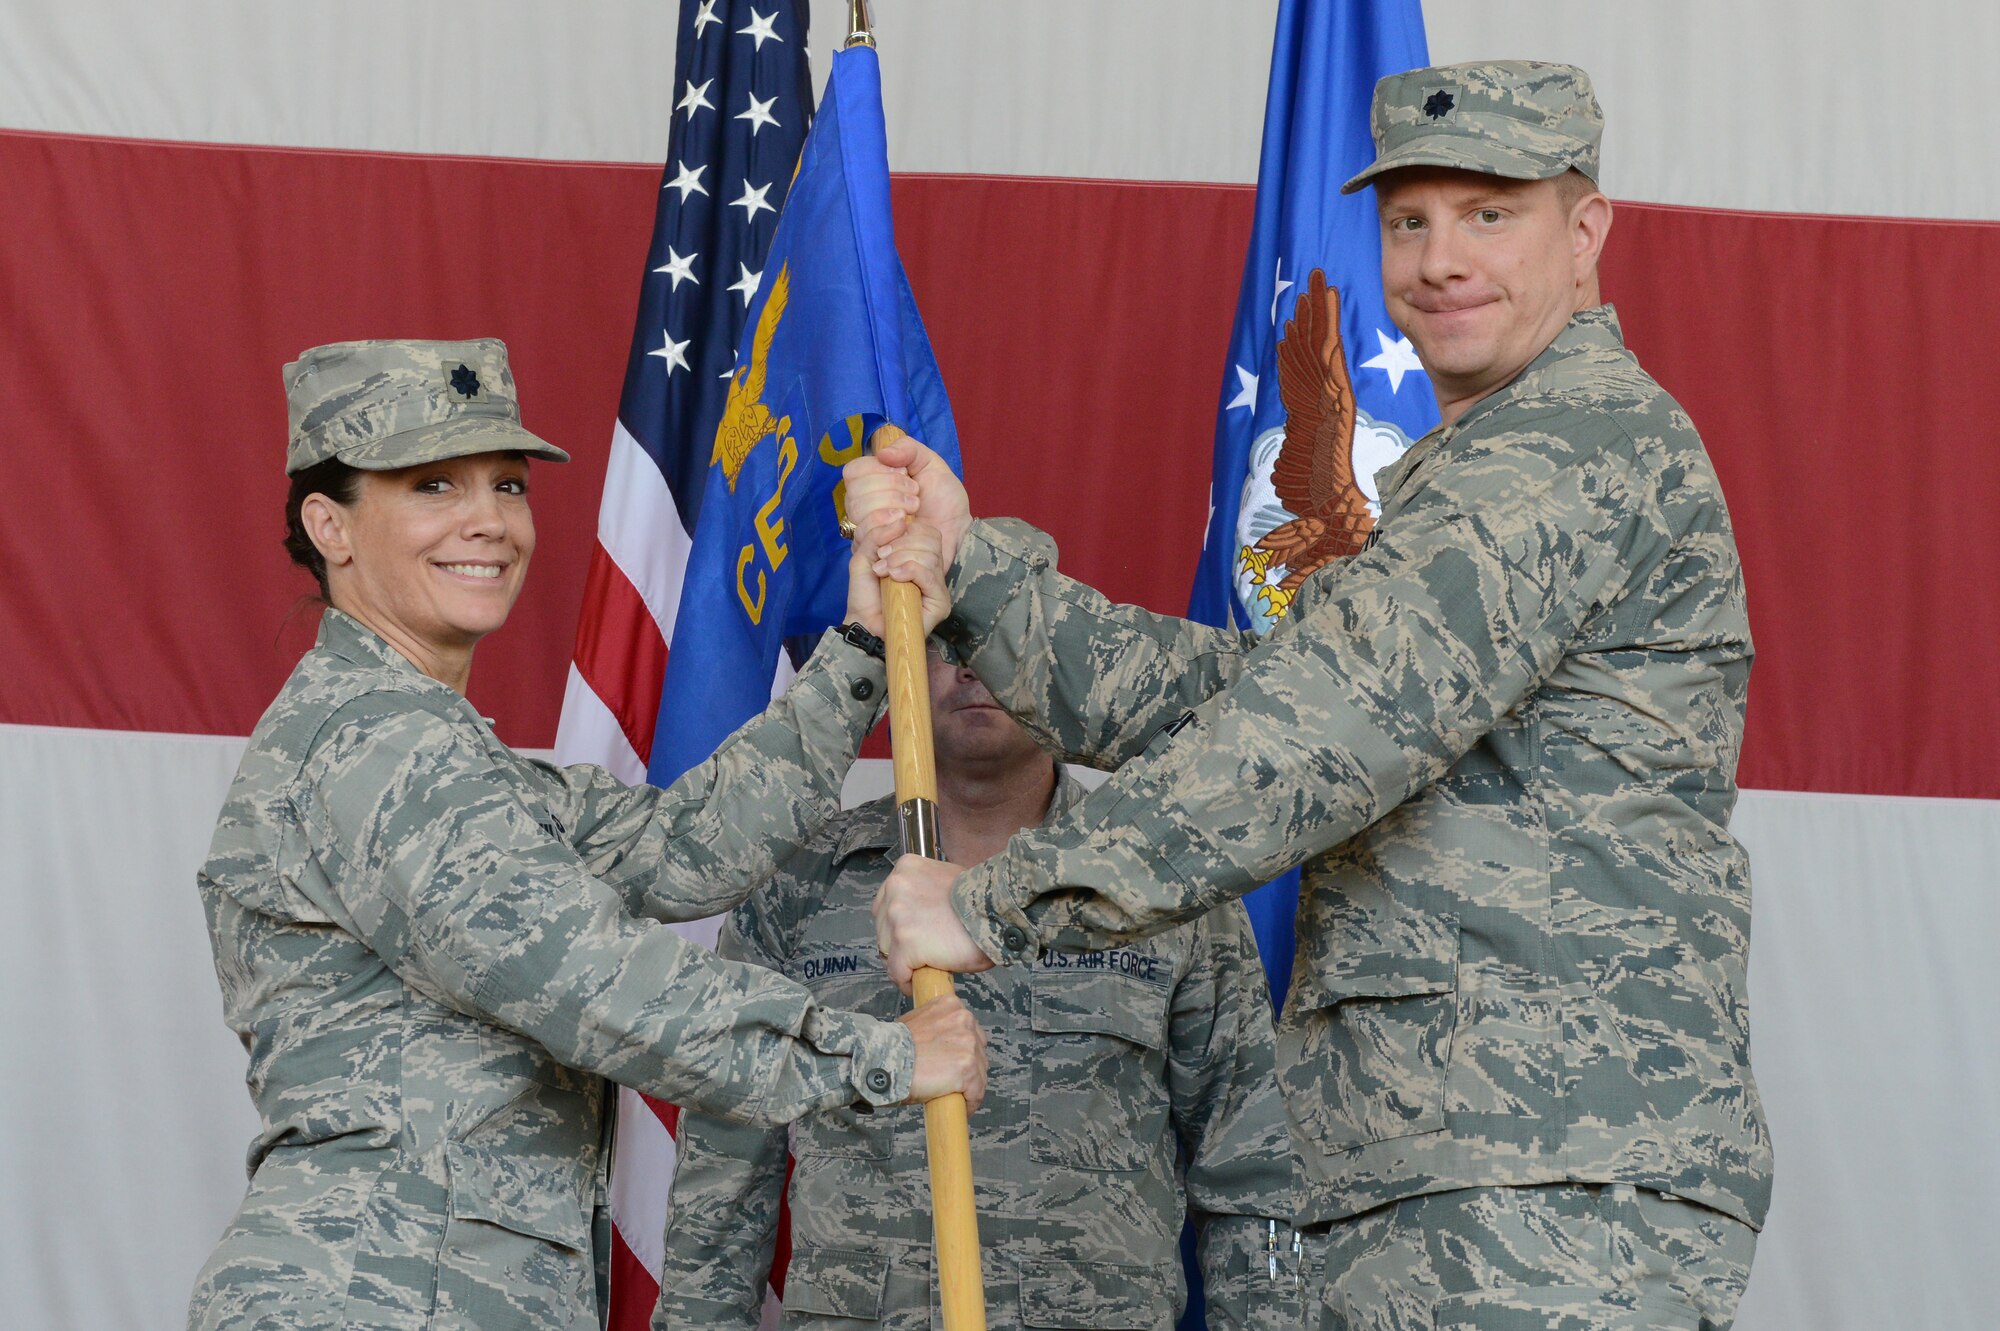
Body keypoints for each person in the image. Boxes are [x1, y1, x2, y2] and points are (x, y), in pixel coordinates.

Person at [850, 62, 1772, 1330]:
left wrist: (995, 900)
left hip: (1543, 1164)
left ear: (1584, 230)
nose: (1439, 259)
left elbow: (1317, 736)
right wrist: (980, 577)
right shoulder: (1478, 470)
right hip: (1459, 1161)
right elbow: (1256, 696)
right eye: (1408, 220)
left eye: (1488, 213)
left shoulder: (1573, 451)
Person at [187, 338, 986, 1331]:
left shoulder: (447, 756)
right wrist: (879, 1056)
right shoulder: (374, 748)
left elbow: (688, 846)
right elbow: (607, 989)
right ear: (328, 524)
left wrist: (864, 644)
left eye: (508, 485)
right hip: (380, 1293)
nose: (488, 521)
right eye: (432, 483)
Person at [653, 646, 1304, 1330]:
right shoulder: (798, 886)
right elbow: (721, 1192)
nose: (970, 667)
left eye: (997, 637)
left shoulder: (1161, 885)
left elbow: (1254, 1173)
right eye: (940, 646)